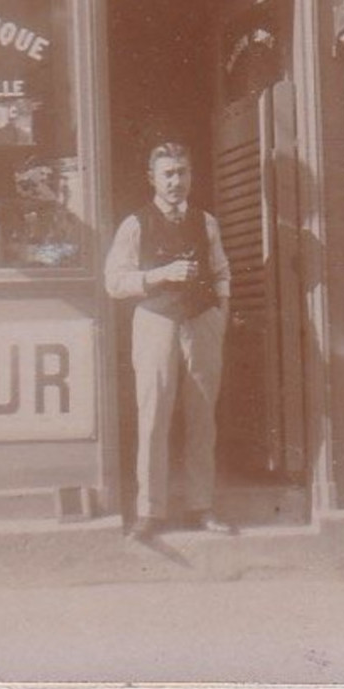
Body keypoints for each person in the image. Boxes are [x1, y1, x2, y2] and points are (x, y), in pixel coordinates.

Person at [104, 141, 235, 540]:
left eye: (183, 172)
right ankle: (151, 511)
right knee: (154, 415)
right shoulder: (135, 224)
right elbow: (114, 282)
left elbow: (222, 272)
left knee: (202, 416)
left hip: (201, 322)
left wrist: (220, 316)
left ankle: (201, 506)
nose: (177, 181)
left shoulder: (206, 221)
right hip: (155, 320)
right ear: (152, 179)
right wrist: (159, 275)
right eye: (168, 174)